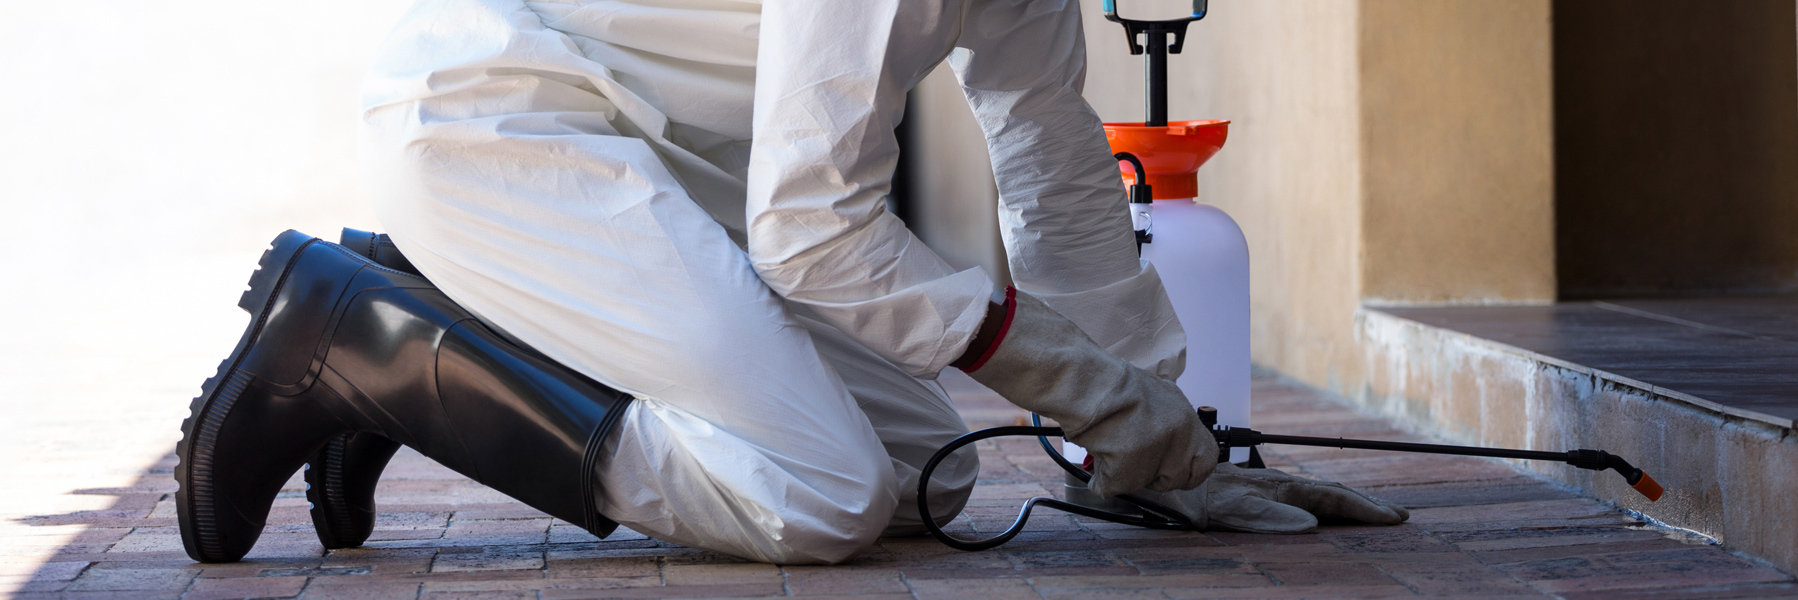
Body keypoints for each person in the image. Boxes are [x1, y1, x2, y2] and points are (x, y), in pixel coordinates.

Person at [174, 0, 1406, 566]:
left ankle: (451, 311)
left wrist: (1152, 431)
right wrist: (1081, 389)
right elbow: (815, 232)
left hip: (645, 162)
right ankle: (363, 342)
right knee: (823, 496)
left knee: (933, 474)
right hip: (499, 132)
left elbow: (1046, 146)